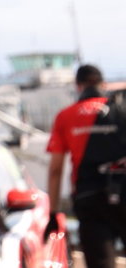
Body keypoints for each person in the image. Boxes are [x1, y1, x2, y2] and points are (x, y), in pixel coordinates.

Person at [48, 64, 126, 268]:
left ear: (78, 86)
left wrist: (53, 212)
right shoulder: (121, 110)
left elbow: (55, 170)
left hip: (89, 199)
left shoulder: (65, 116)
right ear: (103, 84)